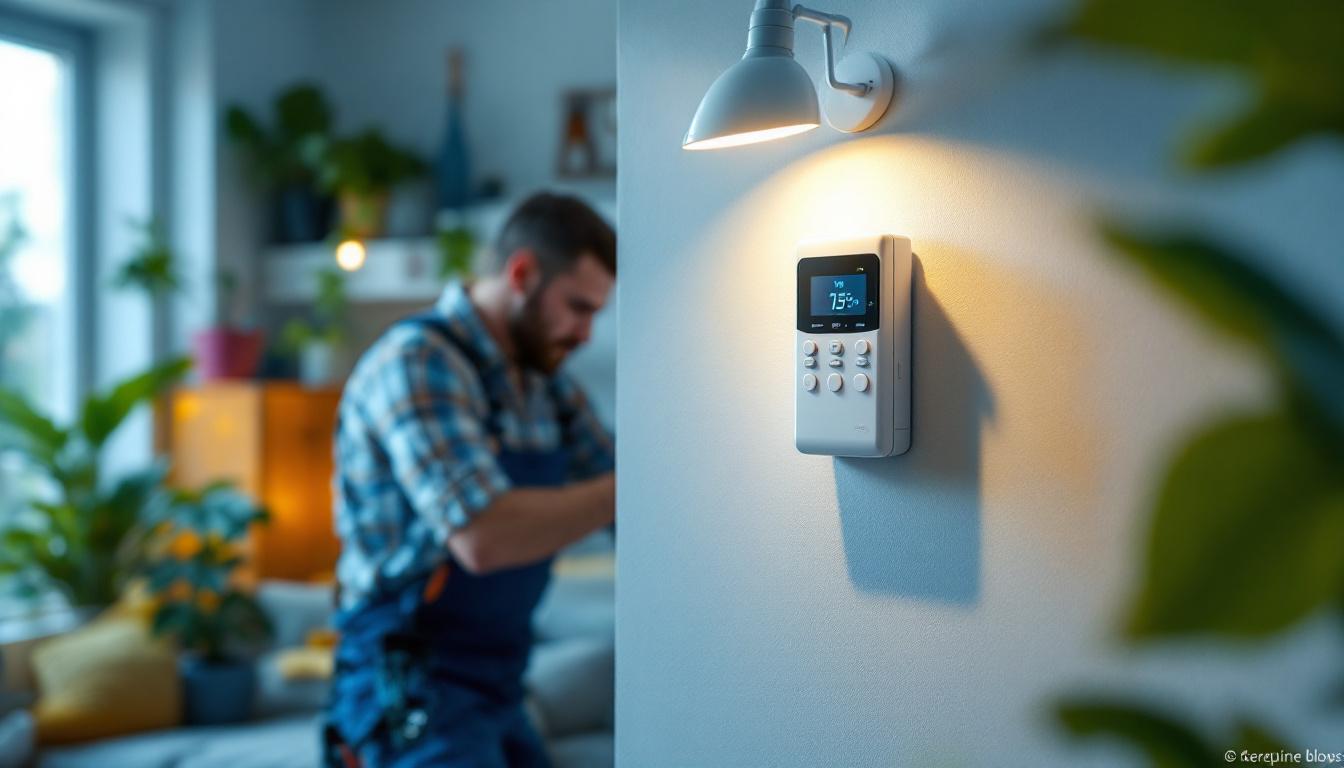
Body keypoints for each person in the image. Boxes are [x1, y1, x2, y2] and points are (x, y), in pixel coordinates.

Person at [323, 192, 617, 767]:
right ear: (522, 274)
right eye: (578, 308)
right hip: (411, 679)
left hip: (499, 680)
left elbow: (635, 502)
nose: (585, 333)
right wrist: (629, 489)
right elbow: (482, 537)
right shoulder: (419, 361)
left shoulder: (545, 385)